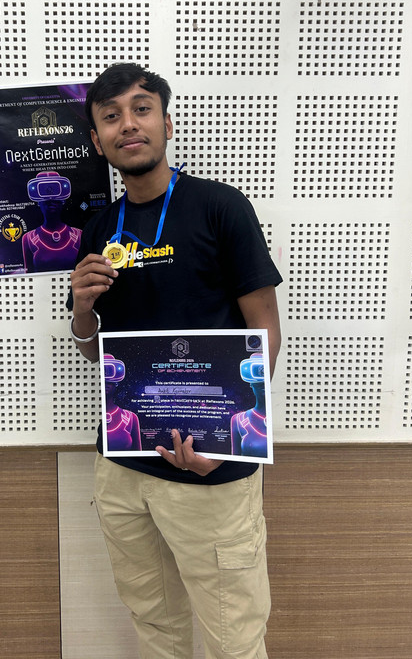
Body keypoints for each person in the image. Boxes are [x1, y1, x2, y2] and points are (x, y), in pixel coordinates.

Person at [69, 62, 282, 659]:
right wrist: (82, 310)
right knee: (155, 628)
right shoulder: (99, 227)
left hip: (210, 466)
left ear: (165, 123)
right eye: (110, 116)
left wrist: (229, 441)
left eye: (141, 109)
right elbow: (95, 350)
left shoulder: (220, 207)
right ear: (97, 140)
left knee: (233, 638)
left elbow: (265, 329)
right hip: (124, 464)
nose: (127, 124)